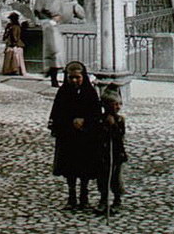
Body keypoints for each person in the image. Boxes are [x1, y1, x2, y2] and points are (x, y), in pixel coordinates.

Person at [48, 61, 102, 210]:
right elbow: (57, 113)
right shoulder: (63, 92)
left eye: (77, 77)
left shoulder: (90, 93)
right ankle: (71, 195)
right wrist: (69, 121)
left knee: (85, 167)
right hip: (68, 136)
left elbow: (96, 113)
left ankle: (84, 195)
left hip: (85, 137)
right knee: (69, 168)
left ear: (83, 77)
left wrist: (85, 121)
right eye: (71, 77)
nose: (74, 81)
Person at [95, 84, 128, 215]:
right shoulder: (100, 119)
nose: (117, 107)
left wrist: (113, 125)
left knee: (116, 178)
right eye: (114, 104)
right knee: (102, 178)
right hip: (103, 153)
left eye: (119, 104)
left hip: (116, 153)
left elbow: (120, 136)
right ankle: (103, 200)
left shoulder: (120, 120)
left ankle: (117, 200)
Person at [42, 13, 64, 87]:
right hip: (54, 50)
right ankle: (53, 81)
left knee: (55, 67)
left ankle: (51, 78)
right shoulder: (49, 27)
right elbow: (50, 39)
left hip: (56, 49)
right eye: (58, 16)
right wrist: (53, 49)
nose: (60, 18)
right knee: (54, 67)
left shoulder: (54, 26)